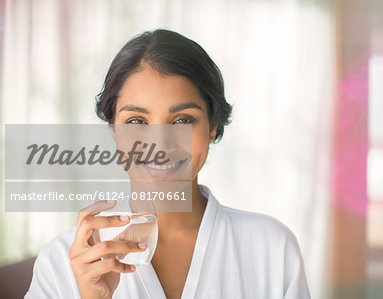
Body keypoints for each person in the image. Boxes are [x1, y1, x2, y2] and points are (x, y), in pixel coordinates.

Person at [25, 29, 310, 299]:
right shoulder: (63, 261)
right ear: (114, 131)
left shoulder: (272, 249)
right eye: (137, 121)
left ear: (212, 127)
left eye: (182, 120)